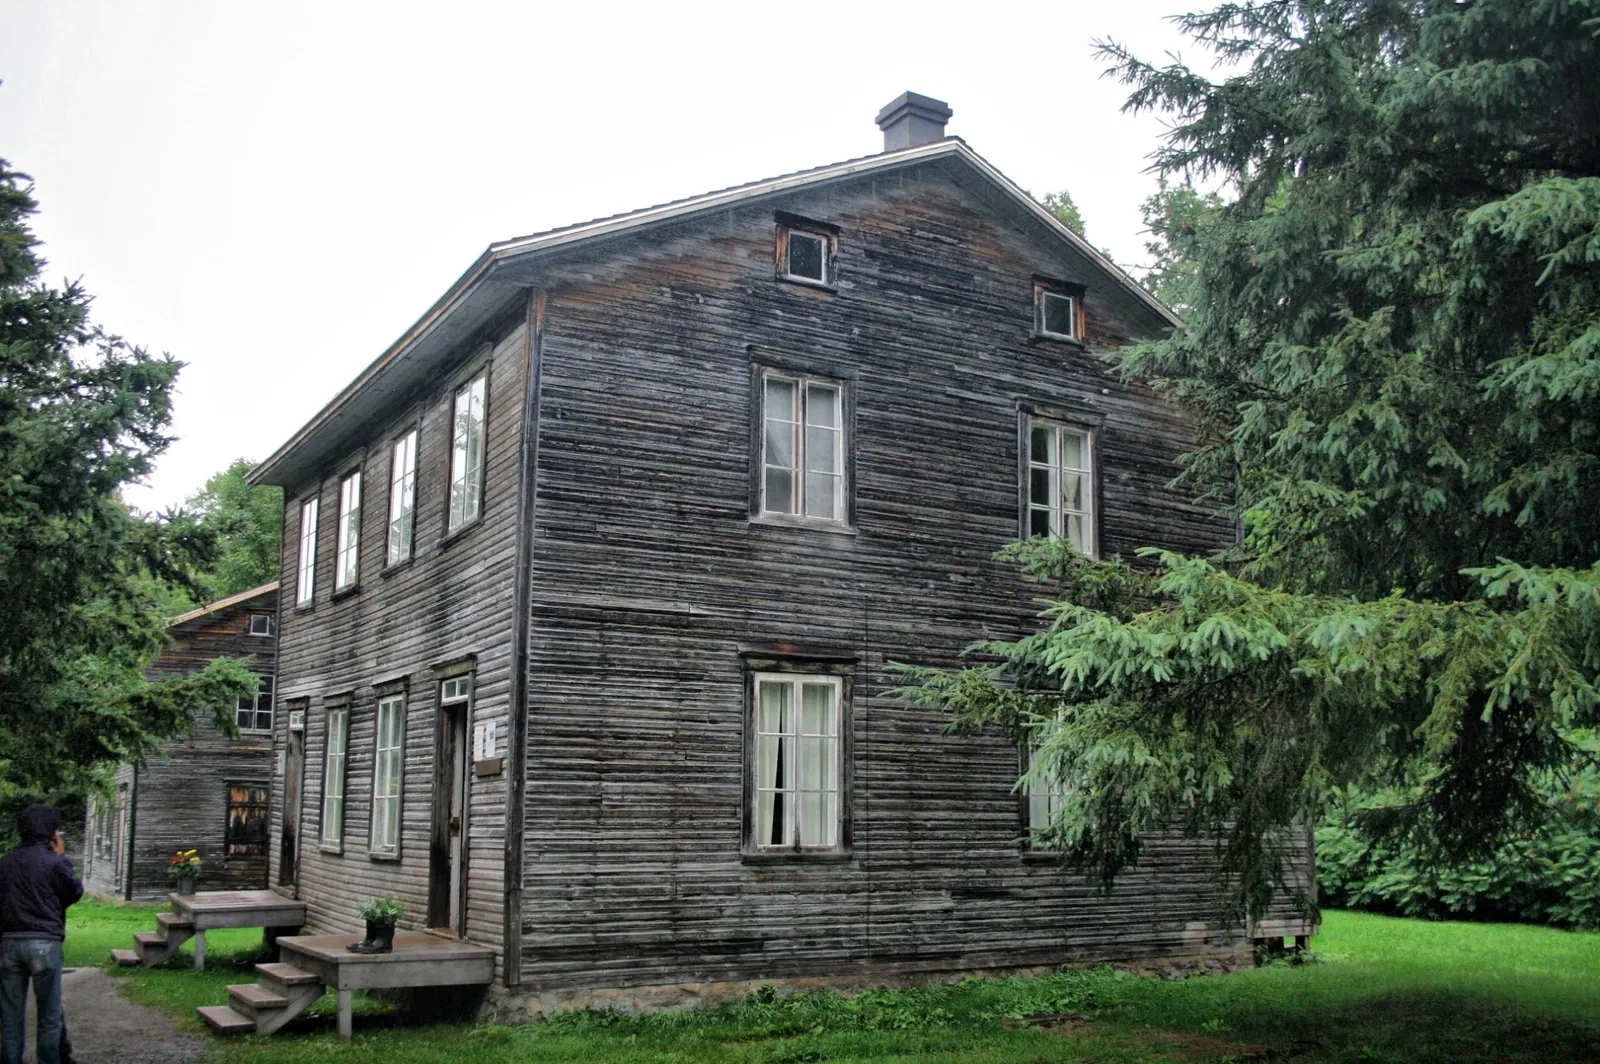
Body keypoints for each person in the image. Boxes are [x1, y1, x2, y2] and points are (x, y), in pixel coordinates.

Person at [0, 806, 84, 1064]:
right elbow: (74, 892)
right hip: (45, 942)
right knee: (49, 1016)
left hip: (9, 942)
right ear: (50, 832)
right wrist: (61, 856)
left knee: (10, 1017)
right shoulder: (54, 862)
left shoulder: (5, 862)